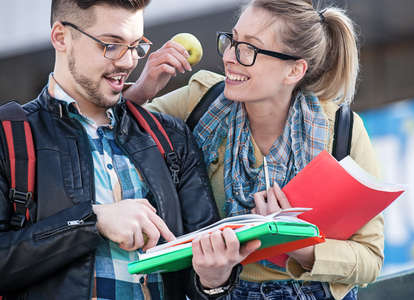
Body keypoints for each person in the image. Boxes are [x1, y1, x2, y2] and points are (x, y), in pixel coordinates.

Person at [125, 0, 385, 299]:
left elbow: (370, 259)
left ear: (294, 70)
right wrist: (142, 89)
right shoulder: (200, 100)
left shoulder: (341, 131)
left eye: (250, 49)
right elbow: (110, 133)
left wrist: (298, 244)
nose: (230, 57)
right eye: (233, 40)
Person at [0, 1, 255, 299]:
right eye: (111, 45)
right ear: (61, 37)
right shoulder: (8, 135)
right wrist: (92, 222)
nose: (128, 61)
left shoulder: (171, 137)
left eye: (136, 45)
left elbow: (202, 278)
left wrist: (214, 278)